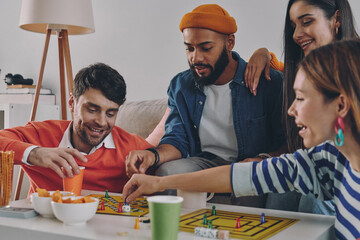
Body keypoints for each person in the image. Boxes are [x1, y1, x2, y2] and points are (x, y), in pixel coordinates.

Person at [124, 39, 360, 240]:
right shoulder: (326, 160)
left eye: (300, 98)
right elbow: (240, 175)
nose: (291, 110)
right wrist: (158, 183)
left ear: (340, 105)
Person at [126, 4, 287, 207]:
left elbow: (287, 143)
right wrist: (153, 155)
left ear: (229, 42)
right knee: (167, 171)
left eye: (206, 48)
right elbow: (177, 139)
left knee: (247, 182)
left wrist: (262, 159)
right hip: (204, 162)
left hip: (247, 164)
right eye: (189, 48)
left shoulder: (267, 82)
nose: (196, 58)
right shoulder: (181, 85)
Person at [242, 0, 359, 215]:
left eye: (306, 22)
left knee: (312, 200)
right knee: (281, 193)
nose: (296, 34)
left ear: (337, 19)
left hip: (346, 178)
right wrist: (265, 54)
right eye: (293, 25)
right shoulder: (305, 71)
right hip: (314, 169)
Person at [0, 63, 152, 196]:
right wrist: (35, 154)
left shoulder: (132, 147)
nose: (101, 122)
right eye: (92, 110)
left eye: (110, 114)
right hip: (41, 225)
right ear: (72, 102)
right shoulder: (41, 133)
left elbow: (166, 162)